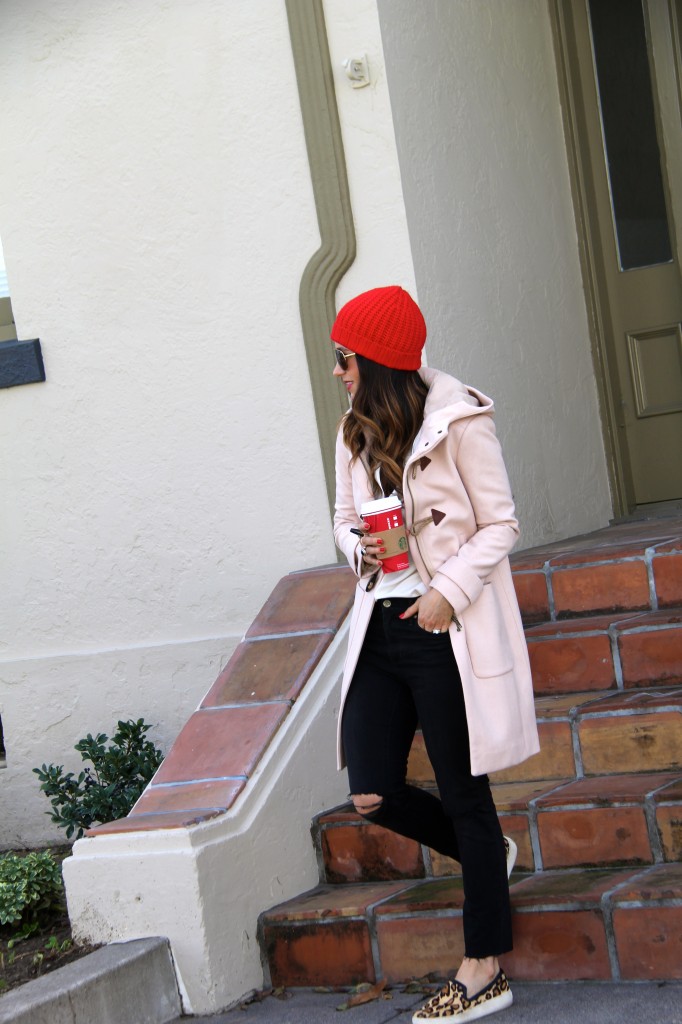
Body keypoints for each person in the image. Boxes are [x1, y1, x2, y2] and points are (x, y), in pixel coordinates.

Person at [331, 286, 540, 1023]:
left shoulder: (461, 421)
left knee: (464, 794)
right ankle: (488, 857)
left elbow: (501, 522)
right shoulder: (354, 429)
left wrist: (447, 588)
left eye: (345, 357)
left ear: (378, 359)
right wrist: (363, 548)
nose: (337, 371)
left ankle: (484, 969)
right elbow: (343, 518)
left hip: (443, 629)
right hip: (380, 625)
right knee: (373, 788)